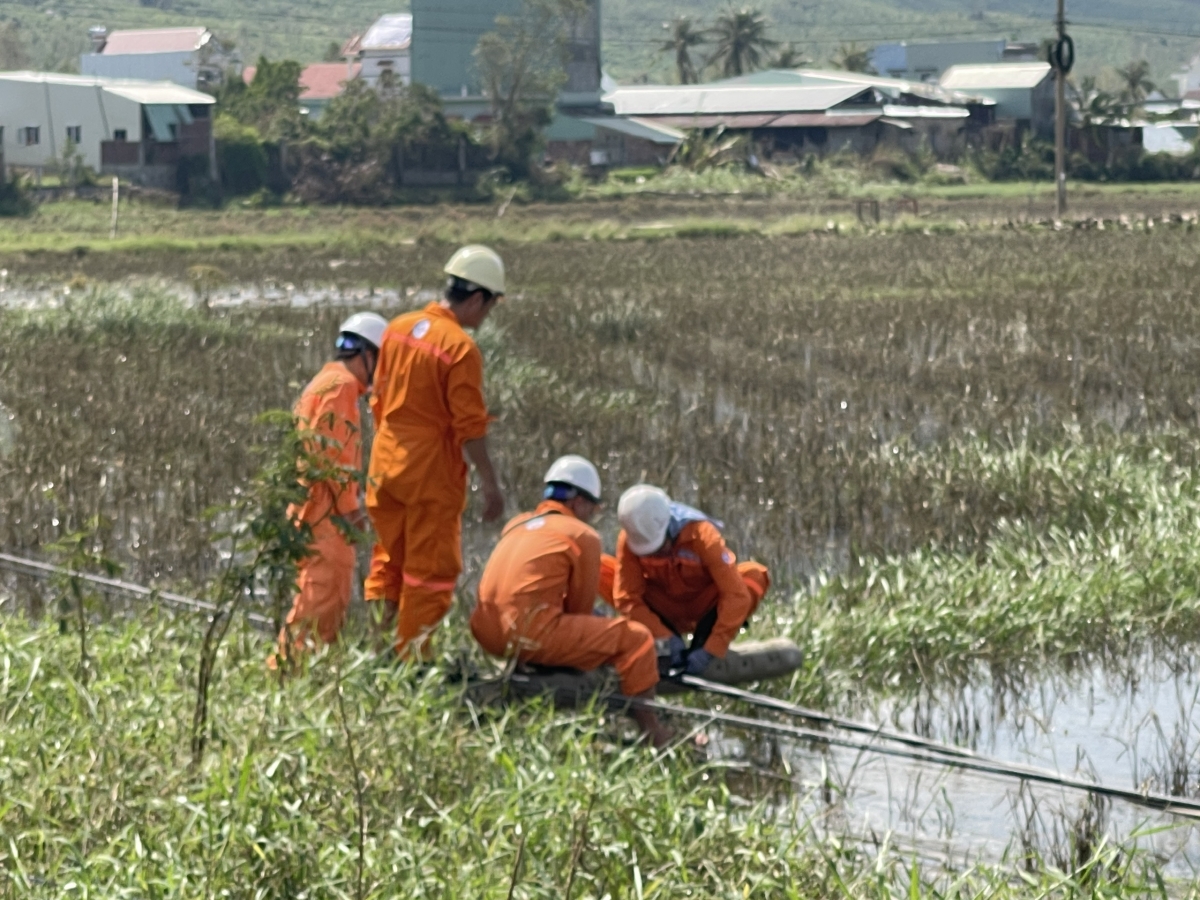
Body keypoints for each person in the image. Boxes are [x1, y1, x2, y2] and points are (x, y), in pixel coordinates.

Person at [366, 245, 507, 661]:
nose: (488, 316)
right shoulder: (460, 348)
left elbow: (378, 399)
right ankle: (411, 664)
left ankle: (376, 653)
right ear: (477, 298)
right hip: (428, 476)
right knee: (428, 575)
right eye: (491, 306)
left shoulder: (397, 328)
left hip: (384, 466)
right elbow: (470, 428)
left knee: (389, 562)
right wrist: (491, 484)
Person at [471, 456, 671, 746]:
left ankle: (529, 663)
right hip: (528, 634)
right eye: (592, 508)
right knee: (637, 639)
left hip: (486, 633)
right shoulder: (582, 535)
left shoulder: (517, 524)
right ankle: (652, 730)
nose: (591, 516)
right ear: (578, 502)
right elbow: (580, 609)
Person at [276, 312, 388, 661]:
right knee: (318, 611)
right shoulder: (341, 387)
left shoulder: (325, 381)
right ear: (368, 355)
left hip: (311, 510)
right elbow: (332, 456)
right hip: (325, 517)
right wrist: (351, 512)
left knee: (317, 606)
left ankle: (302, 674)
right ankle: (286, 676)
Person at [613, 485, 770, 677]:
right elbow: (627, 599)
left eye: (659, 547)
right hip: (667, 608)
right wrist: (665, 638)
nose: (656, 554)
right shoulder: (631, 540)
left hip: (705, 606)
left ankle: (703, 642)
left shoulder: (702, 535)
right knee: (609, 574)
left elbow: (735, 595)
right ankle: (666, 649)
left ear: (668, 526)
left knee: (754, 575)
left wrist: (712, 648)